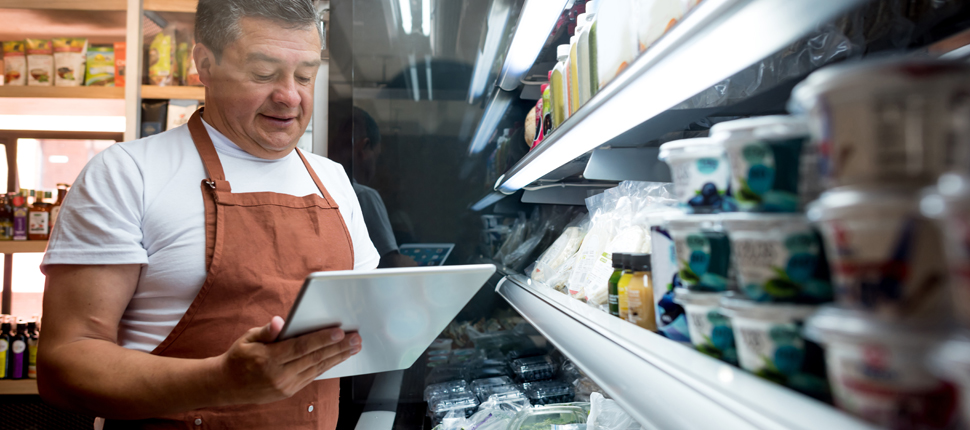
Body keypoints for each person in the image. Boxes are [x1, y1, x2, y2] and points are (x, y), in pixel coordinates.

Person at [36, 0, 380, 428]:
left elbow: (367, 329)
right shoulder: (127, 173)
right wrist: (221, 380)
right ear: (205, 64)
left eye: (306, 75)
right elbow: (63, 365)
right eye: (263, 73)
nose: (290, 95)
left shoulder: (333, 182)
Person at [343, 107, 417, 268]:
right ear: (364, 148)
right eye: (377, 158)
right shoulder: (363, 196)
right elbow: (391, 264)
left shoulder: (319, 187)